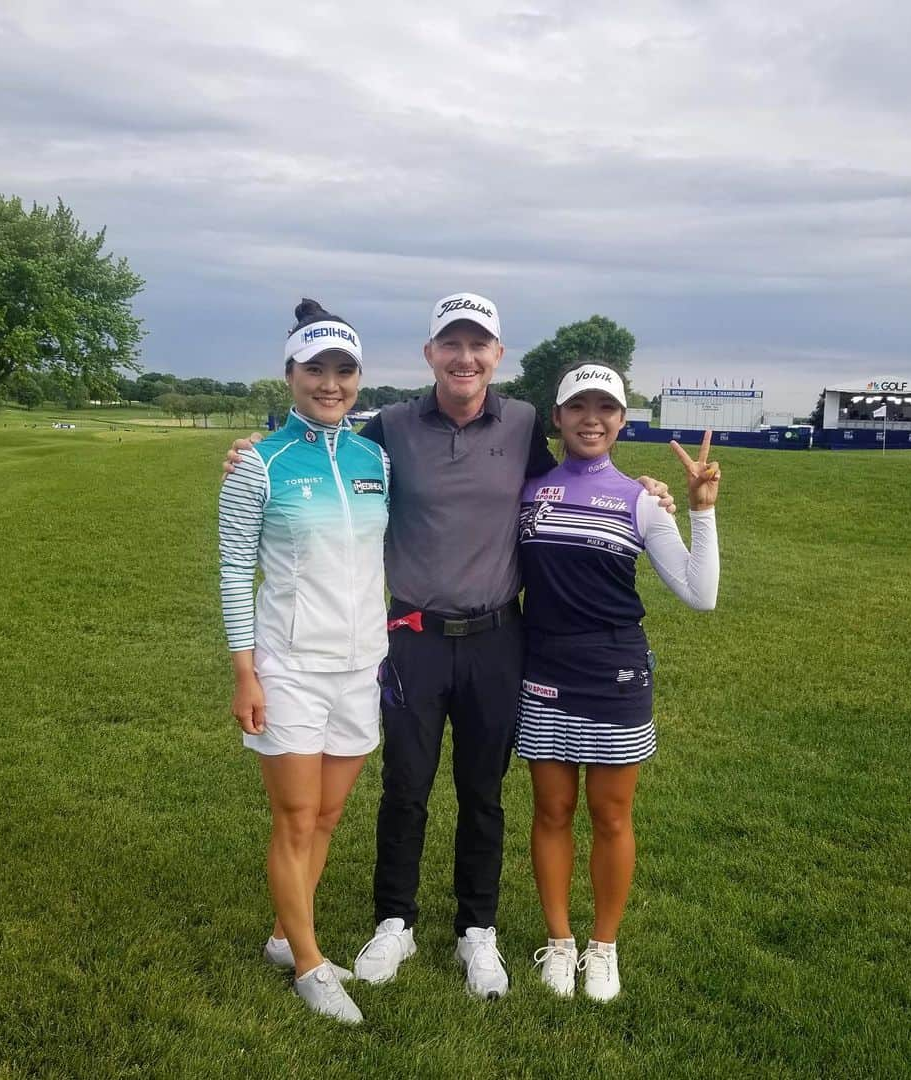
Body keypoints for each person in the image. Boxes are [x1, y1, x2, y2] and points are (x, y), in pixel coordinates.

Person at [225, 292, 674, 1000]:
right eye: (451, 345)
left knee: (481, 791)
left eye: (479, 346)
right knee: (404, 788)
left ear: (497, 356)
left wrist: (648, 487)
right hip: (411, 637)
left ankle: (478, 931)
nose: (465, 358)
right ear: (431, 353)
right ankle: (394, 920)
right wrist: (256, 450)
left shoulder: (524, 421)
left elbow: (578, 472)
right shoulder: (392, 427)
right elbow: (325, 443)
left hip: (499, 636)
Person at [517, 361, 720, 1002]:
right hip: (542, 667)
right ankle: (558, 943)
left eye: (606, 409)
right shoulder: (525, 491)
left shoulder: (639, 497)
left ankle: (602, 949)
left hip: (615, 672)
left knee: (611, 816)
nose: (592, 419)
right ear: (557, 417)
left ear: (622, 422)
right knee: (551, 811)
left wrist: (700, 511)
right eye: (579, 407)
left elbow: (700, 593)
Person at [218, 298, 390, 1025]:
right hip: (287, 666)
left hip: (361, 667)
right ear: (289, 374)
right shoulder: (258, 463)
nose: (330, 383)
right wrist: (244, 670)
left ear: (358, 378)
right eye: (315, 368)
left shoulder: (374, 458)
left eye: (343, 370)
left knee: (328, 811)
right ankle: (312, 965)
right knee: (294, 817)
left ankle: (290, 938)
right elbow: (232, 568)